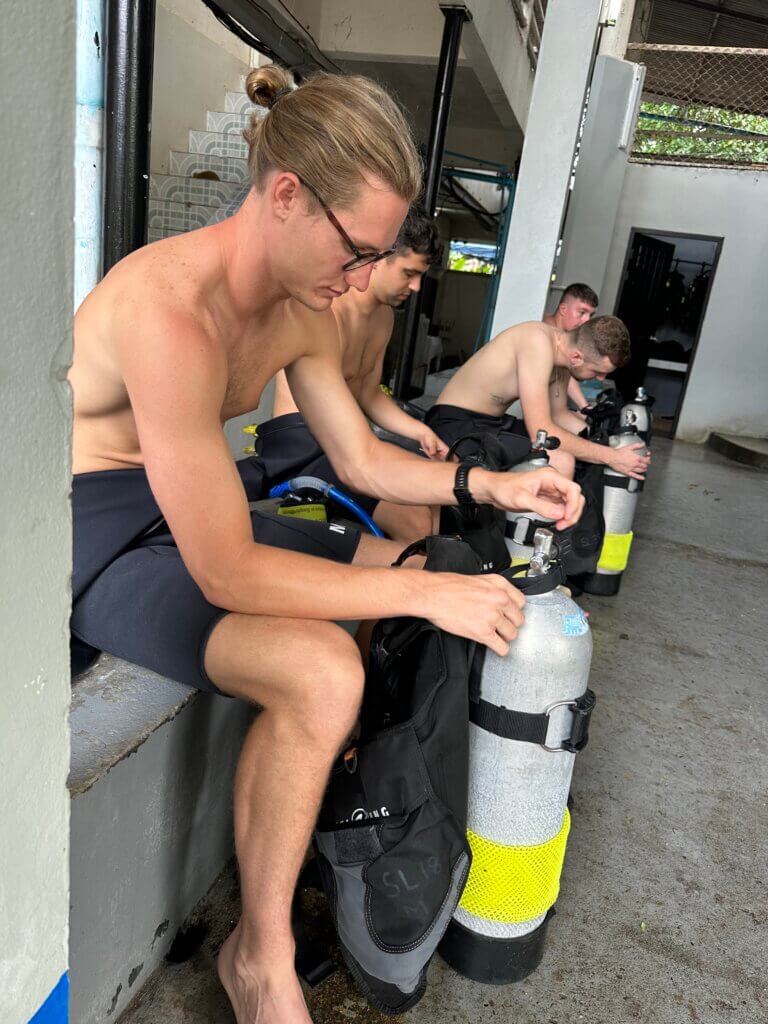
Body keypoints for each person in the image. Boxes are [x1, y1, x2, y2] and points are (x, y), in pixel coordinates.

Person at [69, 65, 583, 1024]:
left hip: (189, 508)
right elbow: (225, 569)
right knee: (327, 669)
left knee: (422, 561)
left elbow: (365, 457)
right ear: (286, 194)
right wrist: (421, 597)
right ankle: (260, 955)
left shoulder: (303, 309)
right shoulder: (168, 309)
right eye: (358, 253)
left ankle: (339, 823)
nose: (360, 283)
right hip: (97, 529)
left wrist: (491, 483)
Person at [256, 204, 447, 543]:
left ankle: (414, 570)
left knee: (435, 486)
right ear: (379, 259)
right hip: (300, 444)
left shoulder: (383, 317)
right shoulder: (328, 311)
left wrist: (421, 433)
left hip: (342, 438)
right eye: (408, 273)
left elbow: (369, 393)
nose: (416, 287)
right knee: (416, 521)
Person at [428, 315, 650, 480]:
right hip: (454, 423)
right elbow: (540, 430)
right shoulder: (537, 342)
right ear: (577, 357)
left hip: (490, 423)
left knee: (583, 456)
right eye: (597, 371)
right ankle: (534, 539)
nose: (601, 379)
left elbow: (560, 416)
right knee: (561, 461)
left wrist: (611, 444)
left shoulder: (563, 360)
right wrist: (610, 456)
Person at [544, 282, 598, 413]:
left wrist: (585, 408)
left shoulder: (566, 336)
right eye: (582, 312)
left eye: (591, 315)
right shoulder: (545, 334)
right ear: (563, 309)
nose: (587, 321)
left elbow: (564, 375)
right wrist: (585, 407)